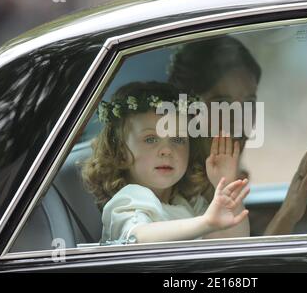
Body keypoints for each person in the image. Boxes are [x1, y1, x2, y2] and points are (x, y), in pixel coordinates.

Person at [168, 36, 307, 235]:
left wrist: (290, 210)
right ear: (188, 110)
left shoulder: (226, 181)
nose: (239, 119)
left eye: (248, 103)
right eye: (221, 102)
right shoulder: (169, 190)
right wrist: (287, 215)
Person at [81, 81, 250, 244]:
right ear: (121, 153)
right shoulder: (131, 199)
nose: (167, 150)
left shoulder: (185, 202)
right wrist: (206, 222)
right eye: (150, 139)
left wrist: (228, 184)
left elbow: (233, 242)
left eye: (177, 139)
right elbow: (138, 238)